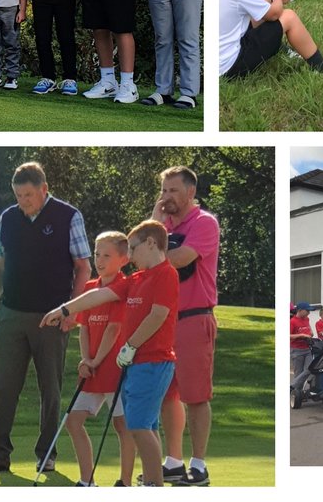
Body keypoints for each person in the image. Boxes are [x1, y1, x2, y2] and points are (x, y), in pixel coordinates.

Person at [41, 220, 179, 488]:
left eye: (134, 248)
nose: (131, 256)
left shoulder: (165, 274)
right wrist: (64, 310)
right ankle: (151, 483)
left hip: (153, 361)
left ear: (151, 244)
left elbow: (158, 315)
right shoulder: (137, 279)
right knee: (145, 425)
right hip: (137, 363)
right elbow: (98, 296)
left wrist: (130, 346)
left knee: (138, 426)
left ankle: (153, 485)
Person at [0, 161, 91, 475]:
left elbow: (83, 267)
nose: (23, 201)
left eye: (28, 195)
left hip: (52, 317)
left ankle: (47, 454)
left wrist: (72, 310)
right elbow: (0, 265)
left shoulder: (69, 216)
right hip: (11, 314)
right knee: (3, 388)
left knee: (50, 390)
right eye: (18, 195)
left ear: (44, 189)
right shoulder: (8, 217)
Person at [153, 165, 220, 487]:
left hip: (194, 317)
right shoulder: (162, 226)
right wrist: (156, 220)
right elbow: (139, 255)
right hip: (163, 320)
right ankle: (173, 462)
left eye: (173, 191)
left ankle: (199, 466)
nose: (166, 197)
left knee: (195, 396)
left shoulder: (204, 222)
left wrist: (151, 250)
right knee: (167, 395)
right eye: (163, 190)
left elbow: (180, 258)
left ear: (190, 192)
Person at [65, 231, 135, 488]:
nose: (100, 260)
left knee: (122, 425)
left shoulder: (124, 287)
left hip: (116, 368)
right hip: (92, 368)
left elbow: (113, 329)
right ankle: (87, 481)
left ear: (123, 259)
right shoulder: (89, 288)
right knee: (73, 421)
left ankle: (125, 482)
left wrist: (95, 361)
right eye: (97, 254)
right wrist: (86, 359)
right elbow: (83, 327)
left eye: (107, 255)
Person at [289, 302, 312, 380]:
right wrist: (301, 335)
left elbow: (308, 327)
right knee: (298, 372)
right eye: (307, 311)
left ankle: (296, 385)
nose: (309, 313)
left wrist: (311, 332)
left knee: (309, 369)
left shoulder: (307, 319)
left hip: (307, 348)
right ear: (300, 310)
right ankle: (296, 387)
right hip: (297, 350)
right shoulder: (292, 321)